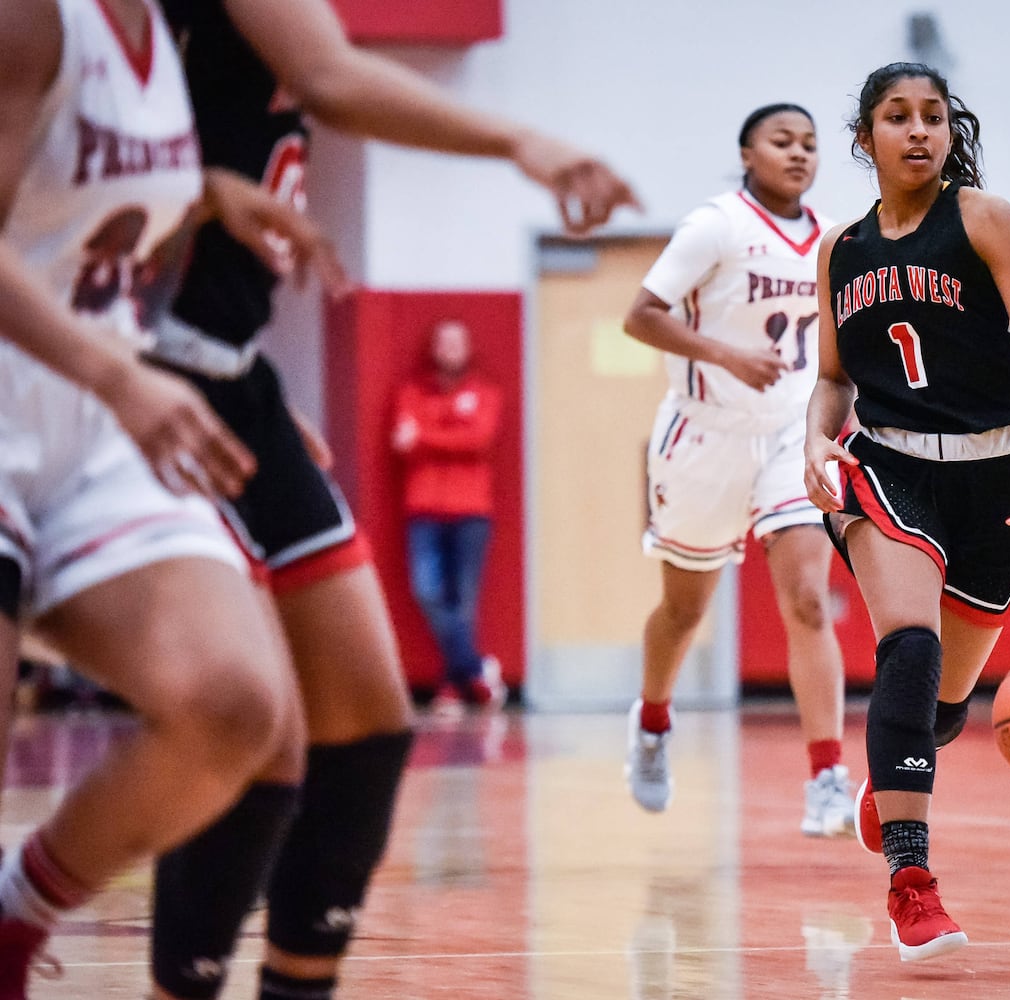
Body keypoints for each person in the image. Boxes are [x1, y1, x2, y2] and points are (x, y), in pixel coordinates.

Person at [143, 2, 640, 998]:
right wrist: (518, 137)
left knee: (366, 732)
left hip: (235, 380)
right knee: (255, 734)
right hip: (144, 374)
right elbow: (328, 79)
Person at [0, 0, 314, 993]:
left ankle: (13, 916)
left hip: (89, 418)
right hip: (50, 388)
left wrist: (212, 199)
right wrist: (120, 374)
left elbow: (95, 231)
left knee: (232, 706)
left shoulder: (160, 36)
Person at [803, 62, 1010, 961]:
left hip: (1001, 478)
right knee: (909, 648)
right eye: (898, 117)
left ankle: (889, 782)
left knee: (945, 706)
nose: (919, 131)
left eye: (933, 116)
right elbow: (832, 378)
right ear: (867, 139)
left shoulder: (985, 221)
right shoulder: (840, 249)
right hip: (888, 469)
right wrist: (818, 439)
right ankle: (912, 883)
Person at [622, 103, 852, 838]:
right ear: (748, 152)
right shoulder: (715, 225)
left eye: (811, 145)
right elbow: (641, 315)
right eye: (783, 142)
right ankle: (653, 721)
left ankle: (827, 775)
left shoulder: (834, 240)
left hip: (790, 431)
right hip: (703, 433)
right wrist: (724, 355)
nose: (799, 154)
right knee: (686, 610)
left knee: (810, 601)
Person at [392, 318, 505, 717]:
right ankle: (476, 669)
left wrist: (424, 436)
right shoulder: (411, 392)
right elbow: (400, 443)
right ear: (434, 347)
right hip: (423, 507)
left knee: (462, 600)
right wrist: (447, 434)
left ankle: (451, 687)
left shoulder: (485, 393)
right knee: (427, 590)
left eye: (458, 342)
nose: (450, 349)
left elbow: (479, 441)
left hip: (472, 509)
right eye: (444, 342)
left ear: (468, 347)